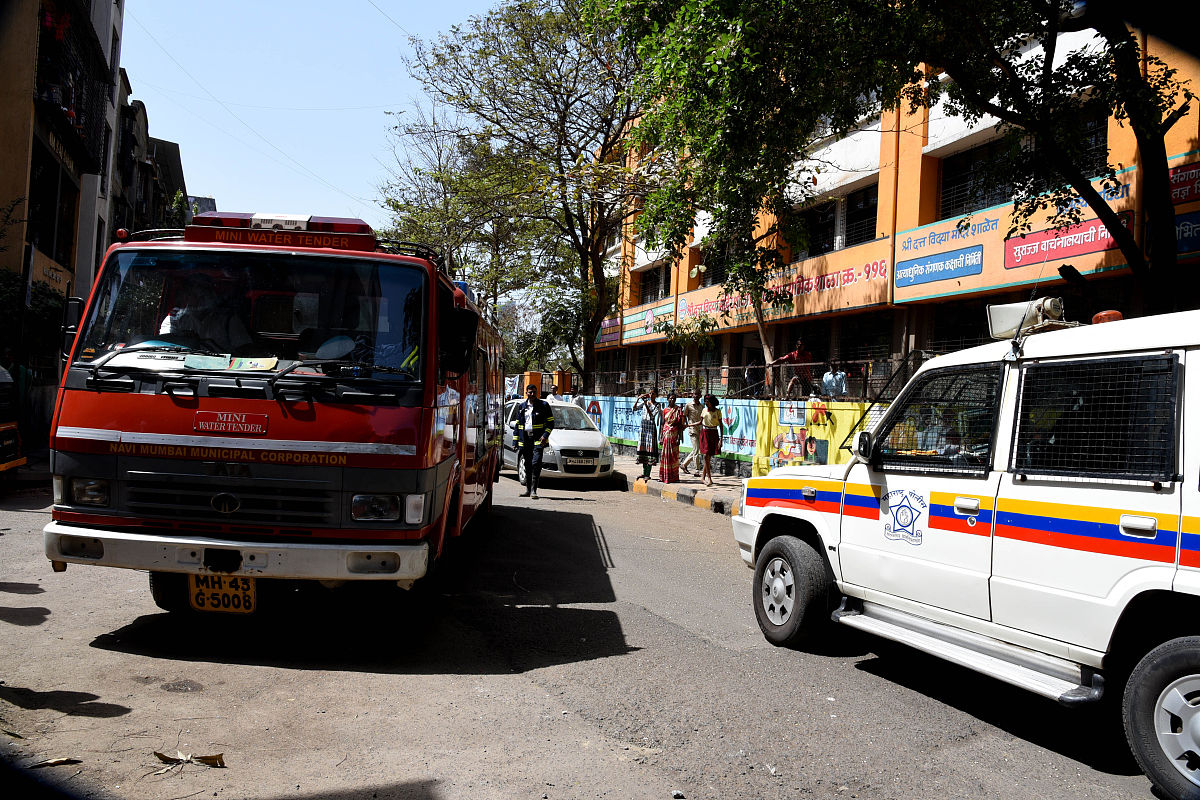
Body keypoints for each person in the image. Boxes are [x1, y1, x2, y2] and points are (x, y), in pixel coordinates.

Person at [510, 383, 555, 498]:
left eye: (534, 392)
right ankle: (528, 490)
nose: (532, 394)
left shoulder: (544, 405)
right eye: (530, 392)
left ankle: (534, 490)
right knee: (528, 465)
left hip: (538, 441)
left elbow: (551, 423)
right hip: (525, 441)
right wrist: (515, 442)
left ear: (537, 393)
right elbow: (518, 425)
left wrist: (545, 435)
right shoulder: (521, 406)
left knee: (536, 464)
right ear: (526, 393)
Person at [634, 387, 661, 479]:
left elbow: (652, 415)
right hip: (643, 427)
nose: (651, 395)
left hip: (650, 428)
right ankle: (644, 472)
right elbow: (634, 408)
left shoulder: (657, 405)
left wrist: (646, 405)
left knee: (649, 450)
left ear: (656, 395)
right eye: (650, 393)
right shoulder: (645, 402)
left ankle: (648, 473)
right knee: (643, 449)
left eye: (653, 393)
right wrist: (638, 399)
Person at [659, 393, 685, 483]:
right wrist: (661, 437)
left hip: (674, 435)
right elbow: (662, 424)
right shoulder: (665, 410)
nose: (672, 400)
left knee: (673, 457)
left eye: (674, 399)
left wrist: (679, 437)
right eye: (670, 398)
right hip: (666, 435)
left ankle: (674, 477)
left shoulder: (678, 410)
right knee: (665, 456)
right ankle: (664, 476)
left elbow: (680, 425)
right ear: (667, 399)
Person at [699, 394, 723, 487]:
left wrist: (721, 439)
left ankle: (703, 477)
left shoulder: (717, 412)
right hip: (705, 432)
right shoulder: (704, 410)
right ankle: (709, 478)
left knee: (708, 456)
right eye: (705, 401)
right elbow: (700, 422)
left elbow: (721, 425)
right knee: (706, 455)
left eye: (707, 401)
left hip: (714, 433)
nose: (706, 403)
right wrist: (689, 425)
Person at [679, 390, 704, 475]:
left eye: (698, 394)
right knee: (696, 450)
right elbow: (684, 416)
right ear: (692, 395)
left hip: (700, 429)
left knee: (696, 449)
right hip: (692, 429)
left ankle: (684, 464)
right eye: (695, 394)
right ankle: (697, 470)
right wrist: (685, 425)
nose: (696, 396)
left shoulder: (702, 406)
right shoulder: (688, 405)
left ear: (700, 396)